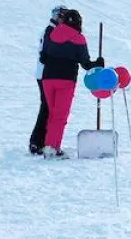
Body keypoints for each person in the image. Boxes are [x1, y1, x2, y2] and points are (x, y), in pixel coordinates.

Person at [38, 9, 104, 158]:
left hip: (47, 79)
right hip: (65, 80)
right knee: (60, 116)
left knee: (52, 114)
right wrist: (98, 63)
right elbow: (86, 64)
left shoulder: (52, 33)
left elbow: (43, 57)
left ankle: (49, 145)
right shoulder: (79, 39)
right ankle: (53, 149)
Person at [30, 5, 67, 155]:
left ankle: (40, 141)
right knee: (46, 108)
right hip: (46, 75)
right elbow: (44, 55)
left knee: (47, 108)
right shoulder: (51, 31)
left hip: (45, 74)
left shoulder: (50, 30)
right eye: (63, 16)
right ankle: (37, 142)